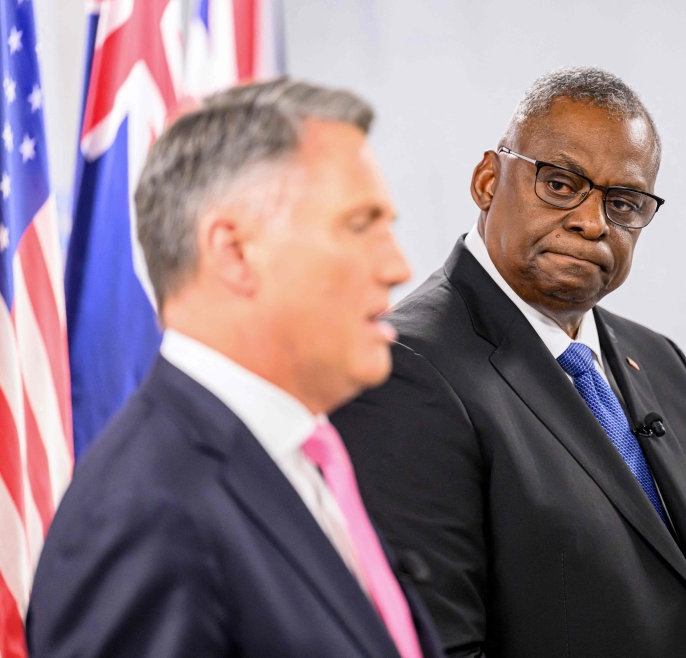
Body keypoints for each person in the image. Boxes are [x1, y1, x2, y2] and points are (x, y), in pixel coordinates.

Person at [331, 67, 686, 658]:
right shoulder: (403, 367)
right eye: (561, 185)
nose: (592, 223)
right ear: (488, 180)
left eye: (624, 203)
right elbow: (444, 646)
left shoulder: (661, 363)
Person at [27, 78, 443, 658]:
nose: (399, 265)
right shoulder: (142, 513)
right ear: (234, 252)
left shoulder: (304, 457)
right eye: (359, 224)